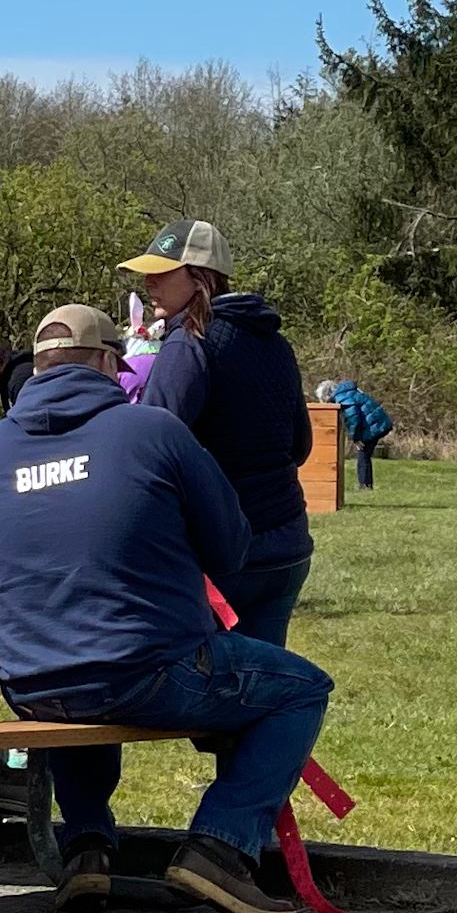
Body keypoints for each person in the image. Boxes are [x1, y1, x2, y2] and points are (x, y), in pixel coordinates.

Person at [0, 303, 328, 913]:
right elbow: (232, 545)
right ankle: (220, 846)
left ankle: (86, 847)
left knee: (73, 665)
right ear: (110, 363)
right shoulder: (153, 431)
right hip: (149, 668)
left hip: (28, 681)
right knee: (301, 689)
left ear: (37, 368)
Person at [125, 216, 316, 646]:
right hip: (286, 544)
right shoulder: (274, 342)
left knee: (209, 689)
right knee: (265, 685)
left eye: (162, 272)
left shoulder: (190, 341)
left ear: (201, 276)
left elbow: (150, 446)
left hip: (225, 553)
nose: (150, 282)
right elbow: (300, 446)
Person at [315, 377, 396, 489]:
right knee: (364, 453)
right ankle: (366, 484)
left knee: (362, 452)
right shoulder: (347, 394)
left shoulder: (342, 398)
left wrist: (356, 438)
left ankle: (365, 486)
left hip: (375, 425)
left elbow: (354, 419)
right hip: (378, 423)